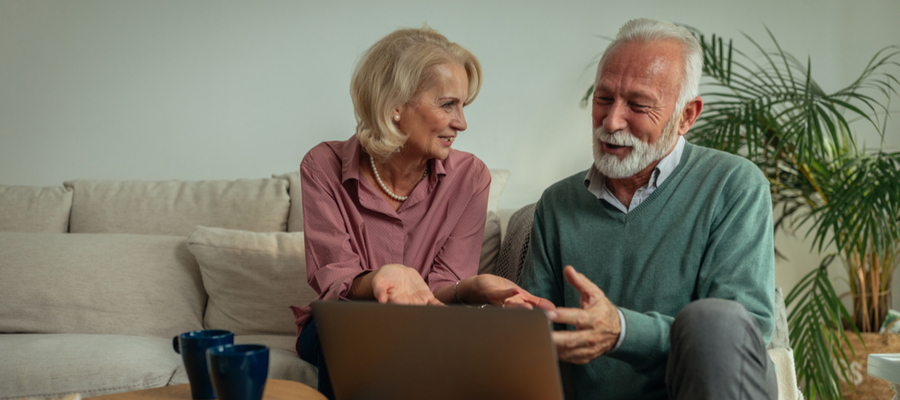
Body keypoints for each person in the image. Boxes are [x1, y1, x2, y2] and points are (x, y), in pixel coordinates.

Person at [519, 18, 777, 400]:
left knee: (713, 322)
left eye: (638, 105)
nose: (611, 121)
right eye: (603, 98)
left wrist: (622, 330)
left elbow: (738, 335)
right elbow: (534, 338)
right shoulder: (558, 203)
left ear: (687, 116)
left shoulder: (733, 184)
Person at [291, 26, 551, 400]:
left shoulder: (470, 178)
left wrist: (471, 287)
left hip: (428, 325)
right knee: (364, 339)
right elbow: (335, 278)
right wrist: (382, 278)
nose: (461, 123)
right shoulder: (323, 165)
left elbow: (443, 287)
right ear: (394, 106)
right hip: (346, 323)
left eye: (463, 106)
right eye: (447, 104)